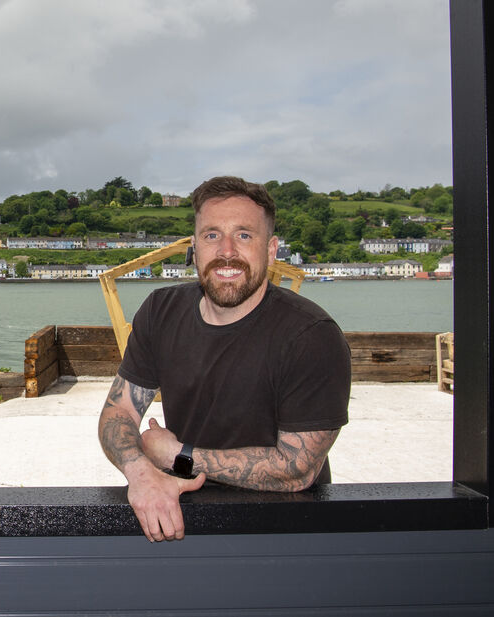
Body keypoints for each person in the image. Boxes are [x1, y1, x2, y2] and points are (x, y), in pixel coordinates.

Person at [98, 176, 350, 543]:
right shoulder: (160, 311)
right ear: (195, 247)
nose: (227, 251)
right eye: (212, 235)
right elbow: (118, 413)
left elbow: (297, 470)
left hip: (287, 532)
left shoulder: (312, 336)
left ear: (271, 250)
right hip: (183, 521)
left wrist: (178, 456)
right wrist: (140, 472)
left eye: (245, 235)